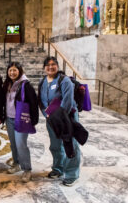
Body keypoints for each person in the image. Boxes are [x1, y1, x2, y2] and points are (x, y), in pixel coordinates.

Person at [38, 56, 81, 187]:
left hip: (67, 118)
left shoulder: (64, 80)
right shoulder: (42, 81)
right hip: (51, 119)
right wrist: (46, 115)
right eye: (48, 65)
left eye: (53, 64)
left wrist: (59, 117)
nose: (50, 67)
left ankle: (72, 174)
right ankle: (58, 168)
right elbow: (41, 101)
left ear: (57, 66)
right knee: (55, 146)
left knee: (71, 145)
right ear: (44, 68)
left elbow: (67, 101)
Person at [2, 62, 39, 182]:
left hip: (21, 119)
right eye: (10, 70)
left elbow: (33, 102)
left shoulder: (26, 85)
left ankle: (27, 169)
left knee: (21, 144)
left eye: (15, 70)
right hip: (9, 119)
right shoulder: (7, 84)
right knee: (13, 144)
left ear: (20, 71)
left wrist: (34, 120)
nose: (12, 73)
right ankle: (16, 163)